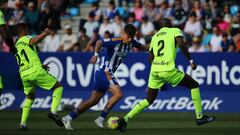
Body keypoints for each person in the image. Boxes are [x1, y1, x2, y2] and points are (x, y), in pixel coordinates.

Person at [117, 18, 215, 132]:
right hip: (168, 70)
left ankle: (125, 119)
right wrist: (191, 60)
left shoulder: (155, 37)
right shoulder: (175, 31)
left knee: (148, 100)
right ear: (170, 24)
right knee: (194, 85)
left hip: (154, 71)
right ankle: (199, 117)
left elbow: (150, 58)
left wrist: (157, 66)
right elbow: (182, 45)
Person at [62, 24, 147, 130]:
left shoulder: (131, 42)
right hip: (105, 72)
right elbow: (99, 42)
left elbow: (141, 46)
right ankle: (101, 118)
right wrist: (96, 54)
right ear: (123, 34)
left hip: (102, 73)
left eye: (132, 37)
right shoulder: (116, 41)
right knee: (118, 94)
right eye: (128, 36)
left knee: (93, 101)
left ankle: (68, 117)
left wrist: (152, 50)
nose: (130, 39)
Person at [14, 23, 64, 130]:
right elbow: (33, 41)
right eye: (27, 29)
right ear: (23, 30)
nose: (28, 32)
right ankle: (53, 111)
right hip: (35, 70)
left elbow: (24, 59)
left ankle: (23, 123)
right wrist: (45, 33)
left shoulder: (17, 45)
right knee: (58, 86)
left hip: (24, 74)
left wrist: (41, 65)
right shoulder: (26, 38)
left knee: (30, 96)